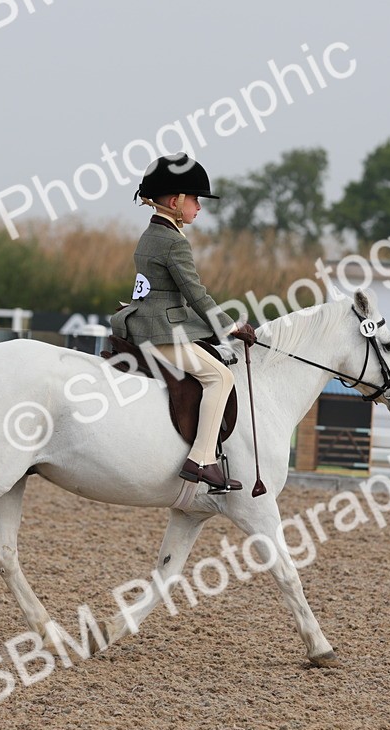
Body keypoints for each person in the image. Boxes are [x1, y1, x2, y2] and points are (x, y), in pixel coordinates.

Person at [110, 153, 256, 492]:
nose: (198, 207)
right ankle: (202, 460)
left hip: (145, 321)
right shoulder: (174, 242)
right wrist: (229, 327)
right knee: (220, 377)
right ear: (175, 201)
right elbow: (196, 294)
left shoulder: (152, 233)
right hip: (160, 333)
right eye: (194, 199)